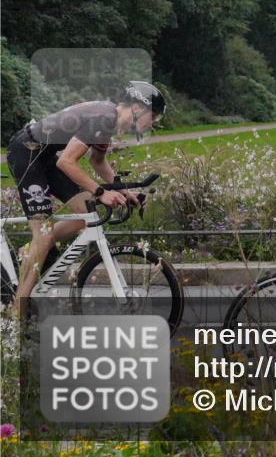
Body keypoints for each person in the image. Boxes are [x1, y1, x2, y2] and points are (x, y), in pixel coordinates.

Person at [6, 81, 166, 310]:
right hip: (26, 152)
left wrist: (124, 191)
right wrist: (100, 192)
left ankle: (31, 249)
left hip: (43, 157)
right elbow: (66, 161)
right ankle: (16, 311)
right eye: (154, 117)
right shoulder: (103, 118)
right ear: (138, 108)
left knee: (87, 216)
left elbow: (97, 161)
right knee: (45, 233)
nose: (153, 123)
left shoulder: (108, 120)